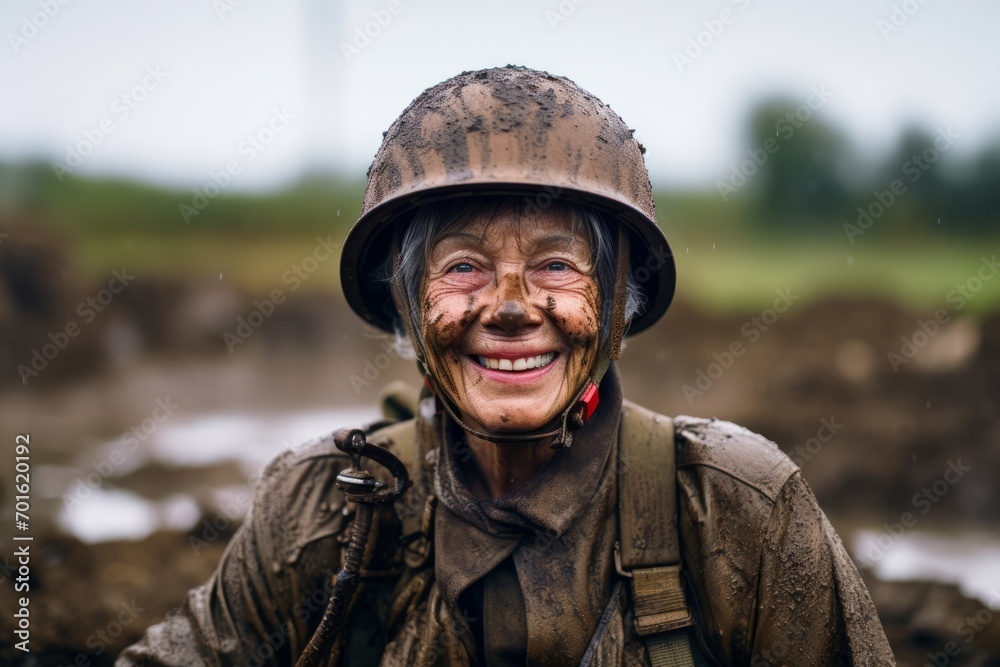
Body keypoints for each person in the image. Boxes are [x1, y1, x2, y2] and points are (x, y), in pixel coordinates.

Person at [118, 66, 894, 666]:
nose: (514, 306)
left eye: (557, 265)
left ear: (620, 298)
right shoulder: (324, 509)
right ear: (409, 303)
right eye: (464, 267)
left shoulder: (736, 509)